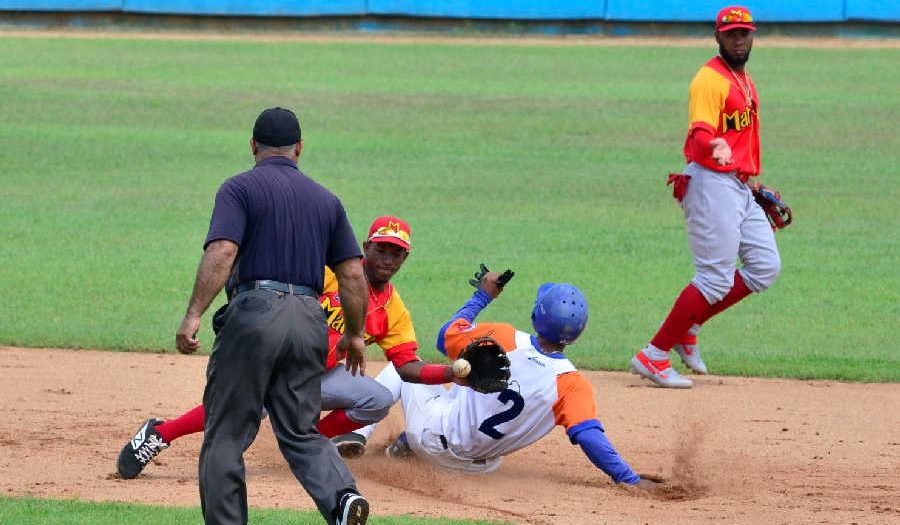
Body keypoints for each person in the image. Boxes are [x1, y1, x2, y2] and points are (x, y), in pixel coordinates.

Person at [118, 216, 464, 477]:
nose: (387, 260)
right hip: (276, 361)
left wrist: (450, 372)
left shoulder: (392, 309)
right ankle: (160, 433)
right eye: (381, 250)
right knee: (241, 407)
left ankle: (306, 444)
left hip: (319, 375)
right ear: (365, 248)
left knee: (376, 399)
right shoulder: (330, 273)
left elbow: (406, 366)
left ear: (405, 259)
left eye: (396, 254)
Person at [171, 107, 369, 525]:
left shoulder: (239, 189)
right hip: (310, 321)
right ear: (299, 148)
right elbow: (352, 273)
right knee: (300, 429)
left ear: (252, 146)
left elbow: (223, 251)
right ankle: (342, 498)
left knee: (226, 432)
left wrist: (192, 315)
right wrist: (354, 334)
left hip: (255, 315)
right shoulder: (326, 200)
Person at [347, 270, 659, 491]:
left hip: (431, 437)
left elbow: (445, 337)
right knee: (463, 386)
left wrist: (482, 295)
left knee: (405, 368)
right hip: (474, 468)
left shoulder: (504, 336)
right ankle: (405, 446)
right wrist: (629, 479)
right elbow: (590, 437)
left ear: (537, 315)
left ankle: (357, 434)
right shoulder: (572, 384)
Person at [629, 5, 781, 388]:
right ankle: (655, 354)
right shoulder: (708, 80)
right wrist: (714, 144)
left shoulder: (743, 78)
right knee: (714, 278)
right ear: (718, 37)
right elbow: (700, 131)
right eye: (731, 34)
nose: (739, 39)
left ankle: (689, 325)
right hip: (711, 184)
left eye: (745, 33)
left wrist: (750, 183)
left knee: (764, 266)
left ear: (753, 35)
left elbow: (739, 140)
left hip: (736, 184)